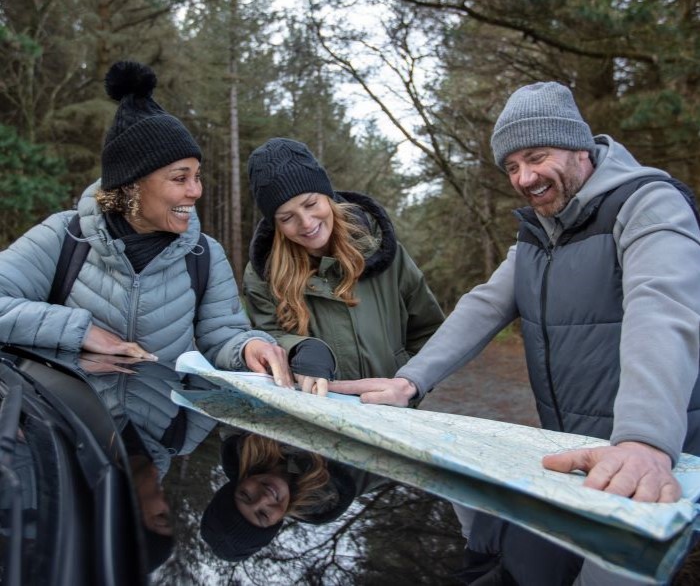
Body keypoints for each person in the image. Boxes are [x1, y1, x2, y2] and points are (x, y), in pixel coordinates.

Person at [328, 82, 700, 584]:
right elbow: (481, 307)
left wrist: (644, 441)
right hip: (581, 461)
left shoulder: (648, 205)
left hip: (659, 461)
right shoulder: (537, 236)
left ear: (578, 147)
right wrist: (408, 381)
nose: (524, 177)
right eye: (511, 167)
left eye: (536, 156)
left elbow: (662, 311)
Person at [0, 60, 291, 477]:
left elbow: (221, 335)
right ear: (132, 185)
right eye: (180, 177)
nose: (196, 191)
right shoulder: (64, 238)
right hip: (63, 430)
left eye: (197, 176)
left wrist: (249, 348)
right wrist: (79, 330)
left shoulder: (204, 255)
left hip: (157, 419)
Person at [242, 137, 445, 395]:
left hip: (394, 416)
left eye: (311, 204)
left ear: (328, 196)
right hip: (312, 418)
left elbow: (429, 332)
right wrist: (298, 347)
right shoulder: (264, 274)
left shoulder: (382, 250)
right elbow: (265, 339)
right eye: (287, 217)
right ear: (276, 225)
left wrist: (408, 386)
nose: (306, 223)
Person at [200, 430, 389, 562]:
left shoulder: (241, 433)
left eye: (246, 496)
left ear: (236, 484)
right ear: (276, 524)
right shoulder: (335, 490)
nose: (264, 498)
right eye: (263, 515)